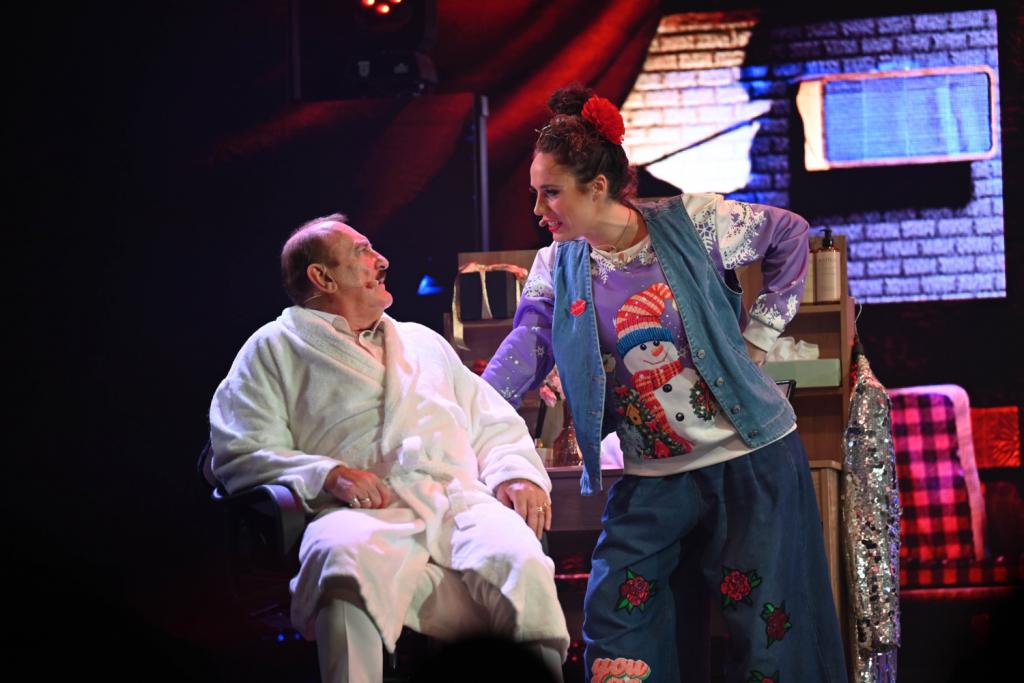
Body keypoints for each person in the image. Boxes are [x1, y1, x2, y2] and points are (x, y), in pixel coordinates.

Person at [483, 86, 847, 682]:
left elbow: (789, 234)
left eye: (551, 192)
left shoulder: (692, 223)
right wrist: (470, 407)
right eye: (536, 193)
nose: (538, 208)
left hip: (749, 458)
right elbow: (529, 341)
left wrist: (759, 338)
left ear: (597, 187)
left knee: (767, 632)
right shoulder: (558, 262)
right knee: (617, 617)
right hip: (654, 475)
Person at [209, 215, 569, 683]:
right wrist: (329, 475)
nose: (382, 261)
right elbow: (240, 448)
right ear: (323, 277)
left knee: (520, 560)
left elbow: (491, 420)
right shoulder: (274, 348)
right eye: (362, 252)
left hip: (457, 505)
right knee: (339, 559)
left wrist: (515, 472)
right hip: (363, 512)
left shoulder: (422, 341)